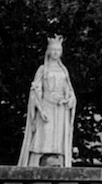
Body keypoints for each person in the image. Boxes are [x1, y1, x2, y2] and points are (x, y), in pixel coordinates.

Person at [17, 36, 77, 167]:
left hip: (61, 109)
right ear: (48, 51)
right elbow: (36, 90)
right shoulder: (43, 69)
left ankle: (59, 163)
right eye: (53, 49)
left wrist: (70, 100)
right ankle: (33, 163)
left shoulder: (63, 70)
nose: (56, 52)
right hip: (46, 106)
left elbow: (69, 90)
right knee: (42, 137)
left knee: (58, 140)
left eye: (58, 50)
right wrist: (39, 108)